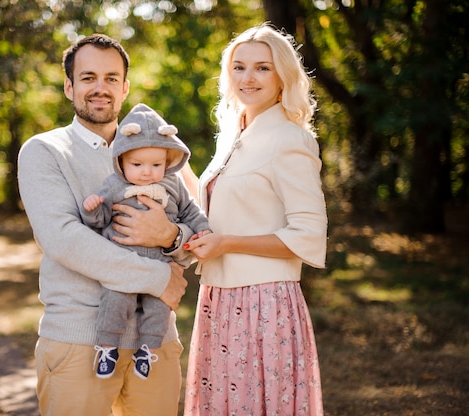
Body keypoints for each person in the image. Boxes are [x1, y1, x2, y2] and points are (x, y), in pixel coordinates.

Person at [17, 34, 193, 416]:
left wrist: (170, 236)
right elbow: (63, 240)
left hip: (156, 341)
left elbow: (193, 233)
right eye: (88, 77)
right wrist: (158, 278)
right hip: (79, 340)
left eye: (112, 78)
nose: (100, 88)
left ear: (125, 87)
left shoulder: (158, 156)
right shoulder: (44, 150)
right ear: (69, 86)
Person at [183, 23, 328, 415]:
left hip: (264, 304)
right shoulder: (233, 135)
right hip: (218, 298)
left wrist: (227, 243)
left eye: (262, 68)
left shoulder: (291, 139)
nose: (248, 78)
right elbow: (220, 207)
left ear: (283, 77)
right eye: (239, 67)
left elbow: (309, 234)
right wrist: (175, 161)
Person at [81, 102, 211, 381]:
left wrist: (203, 230)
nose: (147, 172)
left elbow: (191, 212)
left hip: (160, 264)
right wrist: (92, 208)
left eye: (156, 164)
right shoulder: (114, 185)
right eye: (137, 164)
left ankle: (147, 350)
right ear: (121, 161)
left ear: (168, 161)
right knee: (114, 303)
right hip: (123, 266)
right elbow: (100, 220)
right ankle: (107, 347)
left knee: (159, 310)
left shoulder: (173, 184)